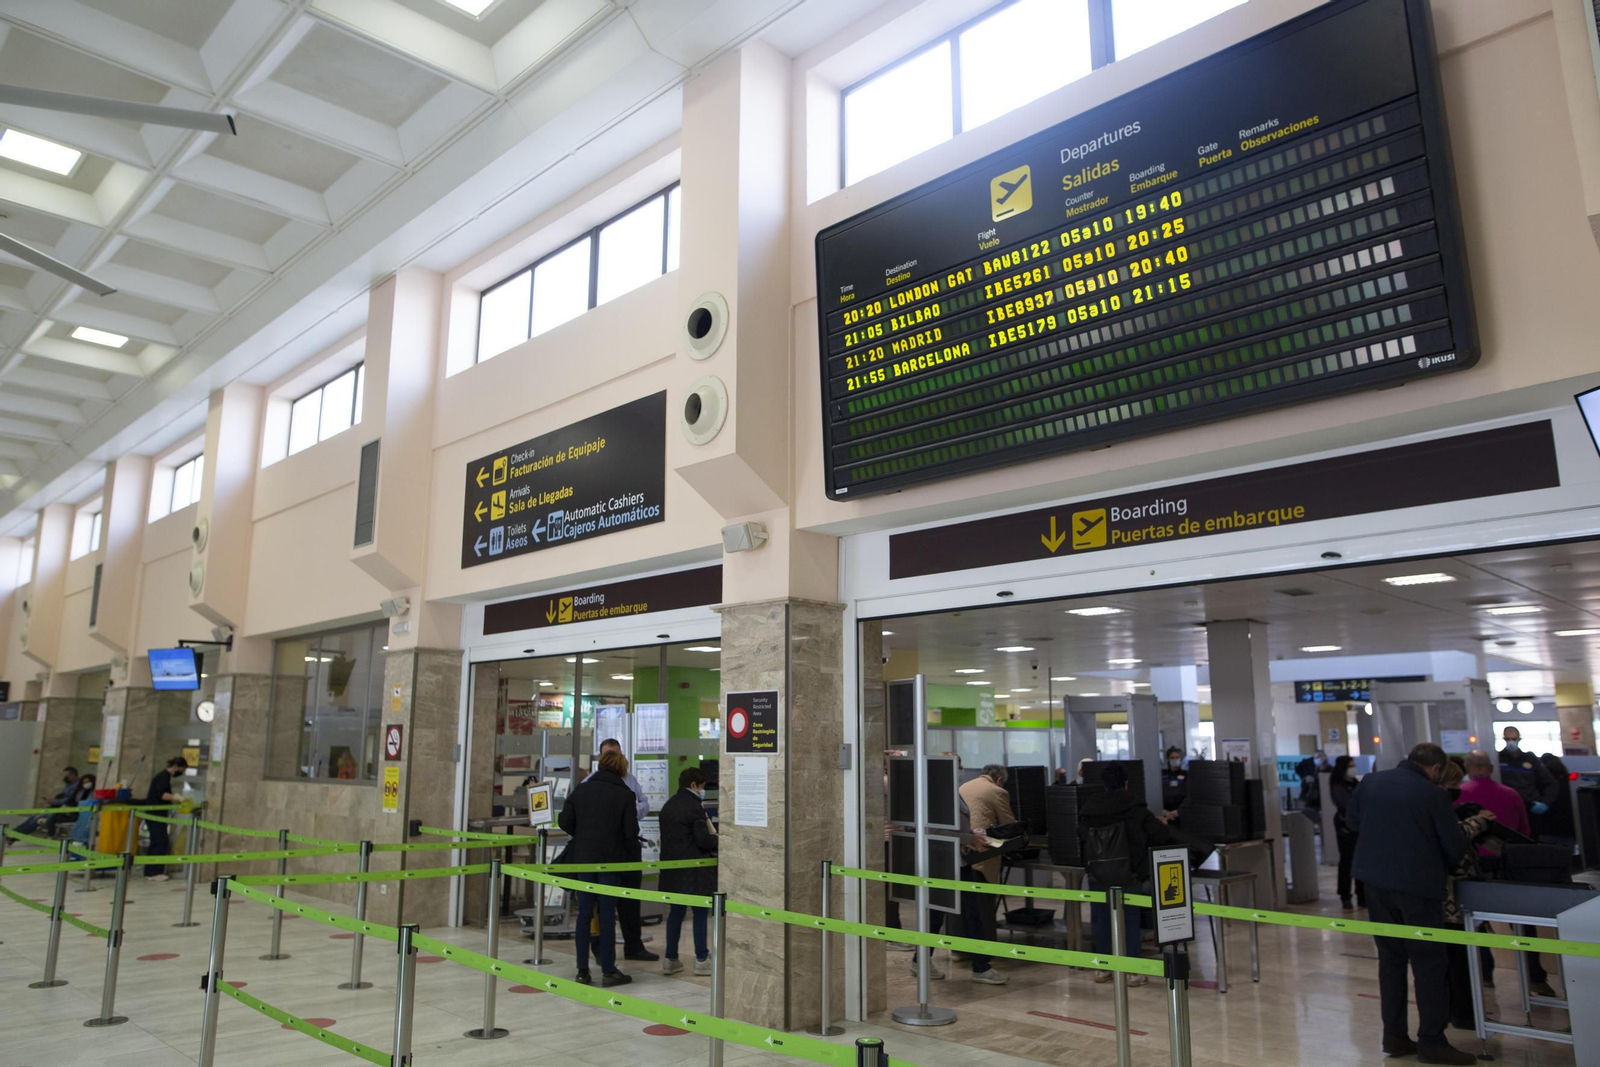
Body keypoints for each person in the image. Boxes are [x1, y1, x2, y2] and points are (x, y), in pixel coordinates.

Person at [1347, 742, 1473, 1064]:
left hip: (1373, 883)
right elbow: (1454, 847)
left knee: (1390, 959)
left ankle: (1395, 1036)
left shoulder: (1370, 782)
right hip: (1417, 886)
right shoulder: (1433, 794)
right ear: (1437, 769)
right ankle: (1431, 1040)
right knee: (1429, 963)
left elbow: (1353, 823)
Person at [1079, 762, 1209, 987]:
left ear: (1104, 784)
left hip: (1098, 873)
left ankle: (1103, 968)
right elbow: (1158, 834)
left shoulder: (1090, 808)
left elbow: (1081, 836)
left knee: (1102, 919)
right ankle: (1132, 972)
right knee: (1130, 919)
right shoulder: (1134, 806)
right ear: (1126, 783)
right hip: (1128, 872)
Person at [559, 747, 640, 986]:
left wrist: (583, 836)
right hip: (611, 862)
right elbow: (630, 833)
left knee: (584, 914)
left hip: (584, 859)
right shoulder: (625, 795)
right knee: (607, 914)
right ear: (621, 769)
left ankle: (582, 970)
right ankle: (608, 969)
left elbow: (564, 821)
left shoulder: (582, 790)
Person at [585, 738, 658, 962]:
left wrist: (630, 811)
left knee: (629, 901)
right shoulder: (589, 783)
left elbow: (644, 803)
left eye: (616, 755)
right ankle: (601, 952)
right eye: (609, 755)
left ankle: (633, 946)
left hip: (628, 848)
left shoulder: (630, 781)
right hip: (603, 852)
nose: (614, 760)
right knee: (601, 905)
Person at [952, 763, 1014, 986]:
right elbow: (1009, 825)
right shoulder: (998, 791)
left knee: (959, 911)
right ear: (999, 779)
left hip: (960, 856)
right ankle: (982, 962)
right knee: (980, 911)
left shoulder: (963, 786)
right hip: (978, 854)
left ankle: (963, 953)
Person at [657, 767, 717, 976]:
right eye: (702, 787)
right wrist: (720, 840)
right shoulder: (694, 807)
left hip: (672, 870)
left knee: (676, 913)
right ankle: (702, 958)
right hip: (695, 870)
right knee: (700, 913)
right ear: (694, 785)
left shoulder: (668, 806)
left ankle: (670, 959)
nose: (703, 791)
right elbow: (702, 839)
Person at [1498, 727, 1557, 829]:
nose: (1511, 742)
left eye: (1514, 739)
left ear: (1519, 739)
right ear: (1504, 740)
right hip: (1507, 806)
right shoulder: (1498, 758)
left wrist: (1545, 802)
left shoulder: (1530, 759)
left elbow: (1550, 783)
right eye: (1508, 739)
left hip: (1530, 806)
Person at [1327, 755, 1364, 910]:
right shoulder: (1338, 786)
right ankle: (1345, 896)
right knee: (1347, 861)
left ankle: (1362, 895)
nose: (1353, 768)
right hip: (1345, 826)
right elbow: (1348, 805)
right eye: (1351, 765)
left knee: (1361, 861)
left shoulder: (1356, 784)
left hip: (1359, 825)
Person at [142, 757, 186, 880]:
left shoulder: (162, 776)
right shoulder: (163, 777)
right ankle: (155, 872)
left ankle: (150, 872)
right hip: (156, 815)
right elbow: (163, 795)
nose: (181, 773)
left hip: (155, 814)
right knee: (161, 842)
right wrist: (176, 797)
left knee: (155, 842)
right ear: (176, 766)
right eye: (181, 770)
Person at [16, 766, 80, 835]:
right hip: (58, 808)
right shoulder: (68, 785)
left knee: (37, 818)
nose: (65, 778)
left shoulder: (77, 786)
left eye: (66, 776)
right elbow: (63, 796)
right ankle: (15, 832)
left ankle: (16, 835)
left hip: (66, 811)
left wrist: (54, 801)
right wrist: (53, 800)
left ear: (73, 775)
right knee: (33, 816)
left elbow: (69, 800)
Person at [1160, 747, 1189, 811]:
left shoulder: (1186, 774)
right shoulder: (1162, 774)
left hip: (1181, 810)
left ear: (1180, 759)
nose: (1175, 760)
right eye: (1172, 758)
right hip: (1164, 809)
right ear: (1168, 759)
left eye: (1177, 757)